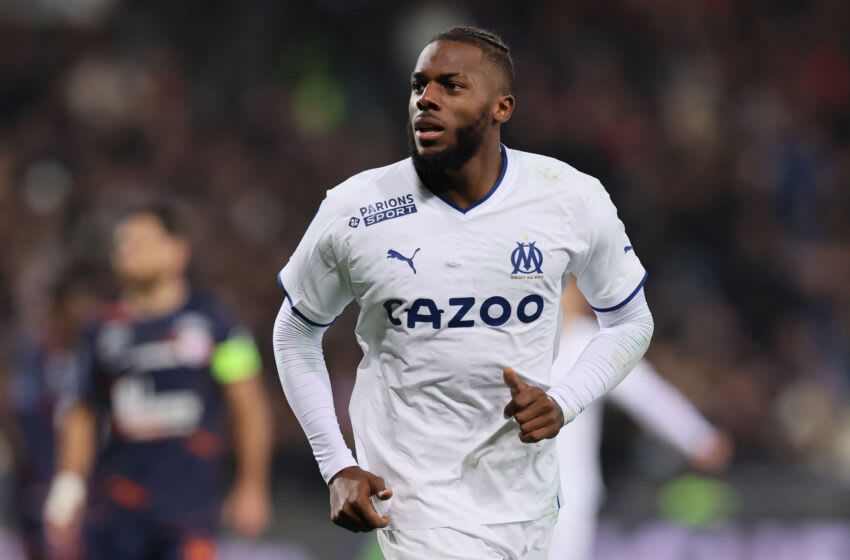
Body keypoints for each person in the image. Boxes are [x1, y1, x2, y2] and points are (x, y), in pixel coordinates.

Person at [273, 26, 654, 559]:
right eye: (418, 86)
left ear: (502, 107)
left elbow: (632, 321)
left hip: (527, 500)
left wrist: (564, 401)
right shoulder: (356, 209)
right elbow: (295, 331)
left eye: (451, 86)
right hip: (416, 503)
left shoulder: (569, 198)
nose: (426, 99)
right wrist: (335, 463)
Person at [43, 203, 273, 560]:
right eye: (123, 244)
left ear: (177, 250)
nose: (128, 251)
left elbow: (249, 405)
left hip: (188, 509)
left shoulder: (217, 322)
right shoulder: (100, 331)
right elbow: (81, 412)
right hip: (116, 506)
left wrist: (251, 485)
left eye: (142, 242)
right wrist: (68, 486)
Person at [549, 280, 733, 560]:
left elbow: (647, 395)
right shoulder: (514, 345)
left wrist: (696, 437)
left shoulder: (590, 344)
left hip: (568, 494)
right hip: (504, 489)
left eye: (568, 291)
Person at [7, 267, 98, 560]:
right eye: (77, 306)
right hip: (38, 483)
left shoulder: (107, 359)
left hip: (99, 489)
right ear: (58, 309)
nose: (84, 315)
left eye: (91, 307)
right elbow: (19, 418)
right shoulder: (33, 360)